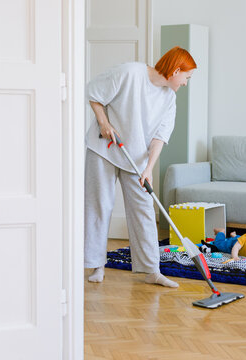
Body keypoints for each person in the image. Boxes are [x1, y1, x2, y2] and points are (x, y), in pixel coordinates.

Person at [84, 46, 196, 286]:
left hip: (136, 157)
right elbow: (93, 93)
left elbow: (160, 137)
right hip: (105, 147)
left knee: (144, 209)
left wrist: (148, 169)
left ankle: (151, 270)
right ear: (176, 70)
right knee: (99, 205)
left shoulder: (170, 99)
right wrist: (103, 123)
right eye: (186, 77)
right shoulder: (130, 73)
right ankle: (96, 265)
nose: (186, 83)